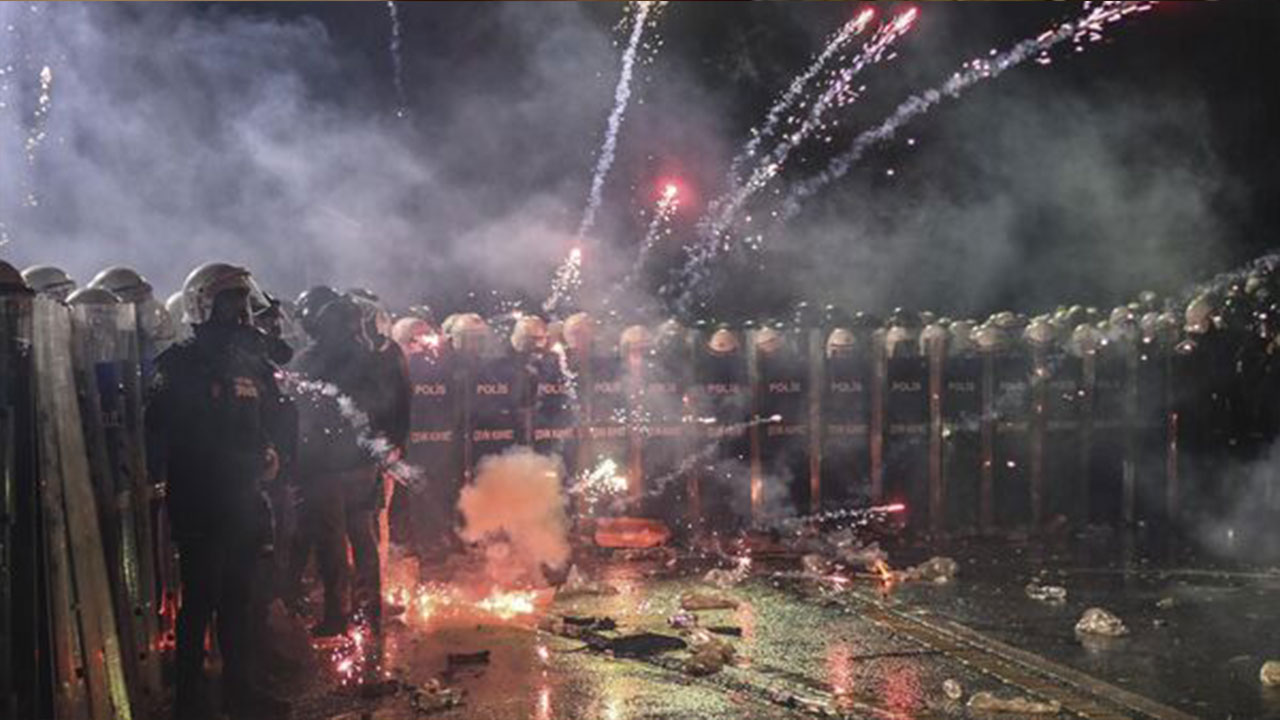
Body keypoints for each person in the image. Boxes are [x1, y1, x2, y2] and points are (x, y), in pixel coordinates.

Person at [145, 262, 292, 719]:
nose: (241, 312)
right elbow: (171, 435)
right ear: (205, 304)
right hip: (202, 503)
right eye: (231, 301)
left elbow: (262, 420)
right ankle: (191, 703)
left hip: (244, 502)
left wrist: (269, 451)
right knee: (200, 604)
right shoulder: (180, 364)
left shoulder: (250, 363)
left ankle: (240, 694)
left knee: (238, 601)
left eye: (244, 302)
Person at [293, 295, 405, 637]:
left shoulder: (310, 359)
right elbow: (389, 406)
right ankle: (370, 610)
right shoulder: (371, 360)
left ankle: (337, 613)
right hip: (361, 464)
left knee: (332, 542)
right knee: (363, 537)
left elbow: (298, 410)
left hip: (325, 468)